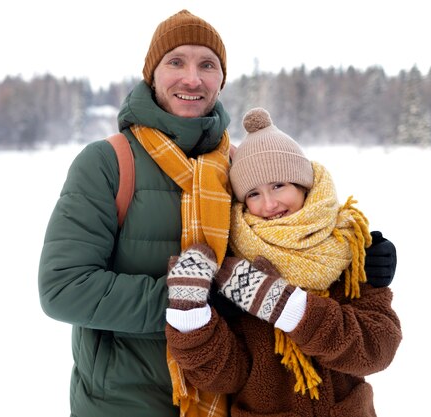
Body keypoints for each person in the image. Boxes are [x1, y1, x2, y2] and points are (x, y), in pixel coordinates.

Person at [38, 9, 397, 417]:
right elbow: (62, 289)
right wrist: (191, 303)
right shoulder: (107, 162)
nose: (192, 78)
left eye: (207, 64)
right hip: (126, 400)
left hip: (230, 400)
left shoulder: (238, 166)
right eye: (176, 61)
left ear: (221, 80)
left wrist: (359, 259)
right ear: (151, 74)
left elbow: (296, 236)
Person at [164, 108, 402, 417]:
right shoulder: (238, 274)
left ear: (302, 184)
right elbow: (223, 375)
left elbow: (378, 350)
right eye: (253, 193)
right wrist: (190, 316)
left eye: (279, 186)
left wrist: (288, 308)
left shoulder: (349, 251)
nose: (269, 204)